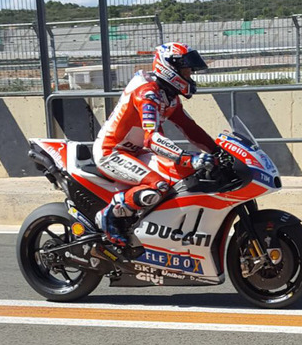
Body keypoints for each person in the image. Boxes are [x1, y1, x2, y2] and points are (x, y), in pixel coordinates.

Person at [92, 42, 219, 247]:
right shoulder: (147, 94)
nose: (189, 76)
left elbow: (190, 128)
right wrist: (189, 158)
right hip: (112, 153)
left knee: (179, 176)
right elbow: (151, 139)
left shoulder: (168, 97)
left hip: (135, 153)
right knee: (158, 186)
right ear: (171, 69)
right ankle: (108, 215)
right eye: (186, 70)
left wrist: (218, 151)